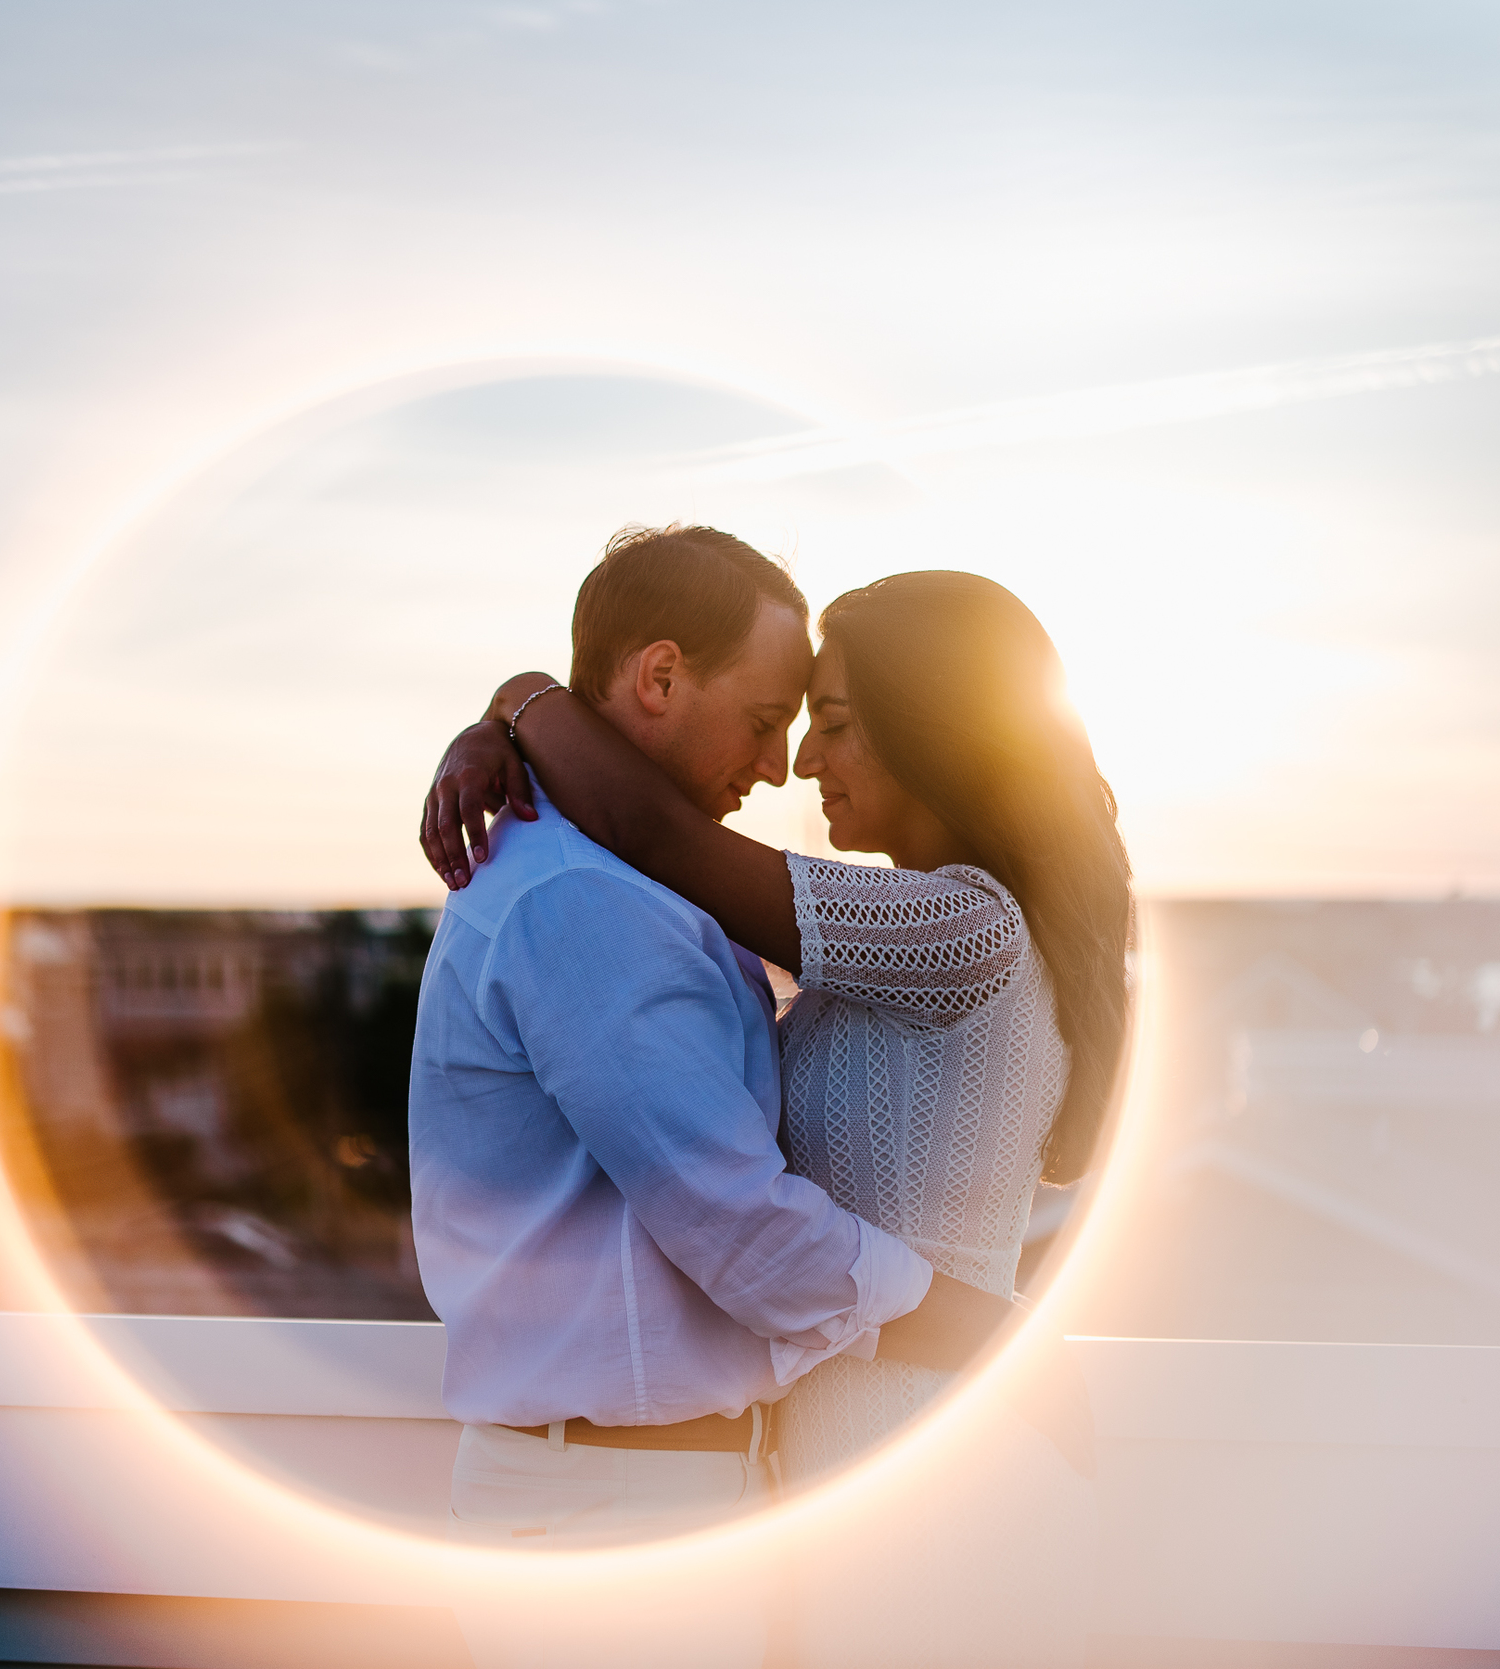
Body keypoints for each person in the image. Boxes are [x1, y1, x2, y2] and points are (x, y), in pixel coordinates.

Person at [408, 527, 1039, 1669]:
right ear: (659, 677)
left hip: (637, 1499)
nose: (776, 762)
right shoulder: (585, 903)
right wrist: (971, 1318)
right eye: (764, 718)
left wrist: (517, 706)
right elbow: (731, 1220)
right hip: (609, 1517)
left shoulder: (603, 877)